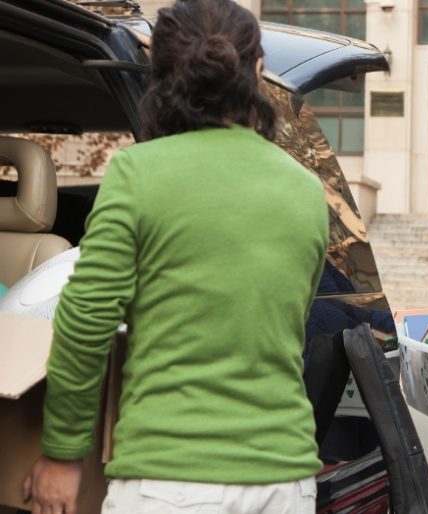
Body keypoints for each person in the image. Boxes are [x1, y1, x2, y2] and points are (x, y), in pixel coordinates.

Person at [24, 1, 328, 513]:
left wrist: (62, 454)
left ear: (160, 79)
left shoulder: (138, 174)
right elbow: (285, 322)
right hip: (287, 479)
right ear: (256, 72)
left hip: (170, 478)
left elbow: (85, 324)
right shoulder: (306, 189)